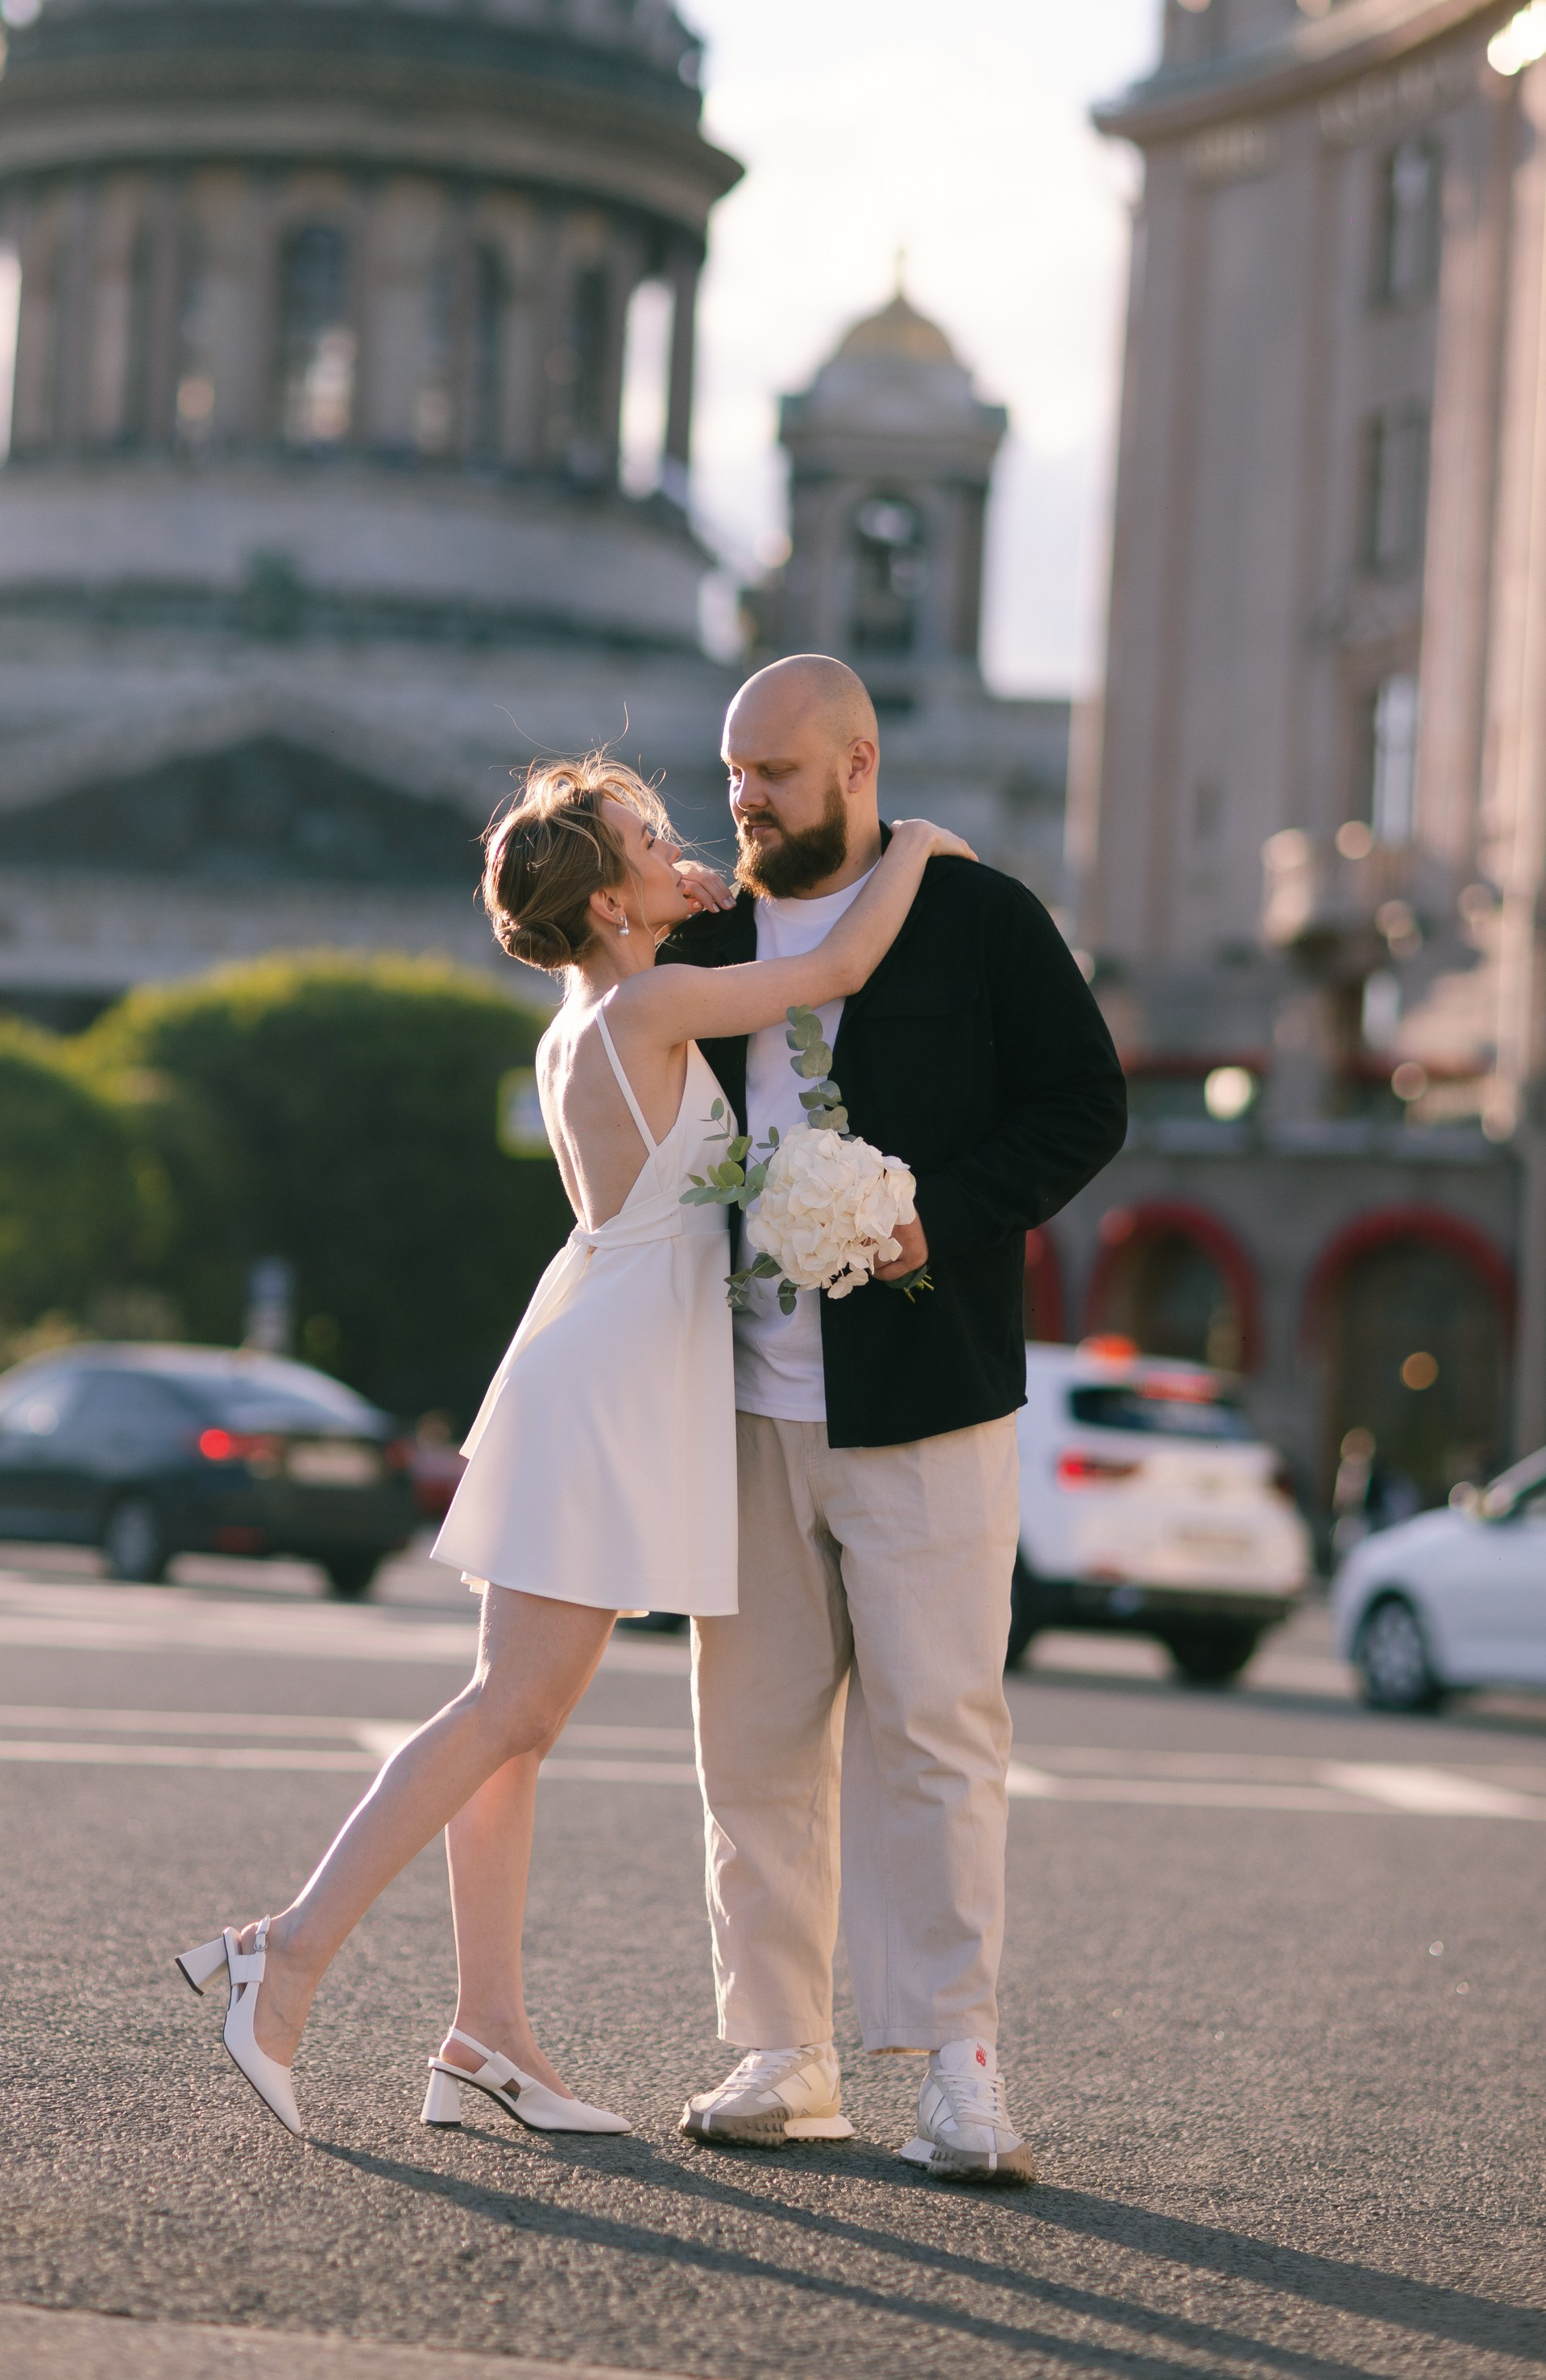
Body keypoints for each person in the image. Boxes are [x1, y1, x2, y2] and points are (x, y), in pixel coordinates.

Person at [176, 753, 966, 2142]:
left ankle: (487, 2038)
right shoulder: (653, 1003)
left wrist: (666, 902)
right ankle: (283, 1952)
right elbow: (835, 963)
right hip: (603, 1384)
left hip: (591, 1358)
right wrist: (917, 848)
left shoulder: (591, 1011)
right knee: (510, 1712)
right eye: (654, 841)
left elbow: (671, 970)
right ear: (606, 907)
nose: (685, 851)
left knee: (514, 1725)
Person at [661, 655, 1126, 2183]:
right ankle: (781, 2055)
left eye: (771, 774)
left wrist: (945, 1216)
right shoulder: (710, 930)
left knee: (938, 1737)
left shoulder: (983, 920)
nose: (741, 798)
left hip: (930, 1400)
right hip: (741, 1405)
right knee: (752, 1742)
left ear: (855, 765)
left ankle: (960, 2071)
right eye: (731, 770)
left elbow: (1081, 1106)